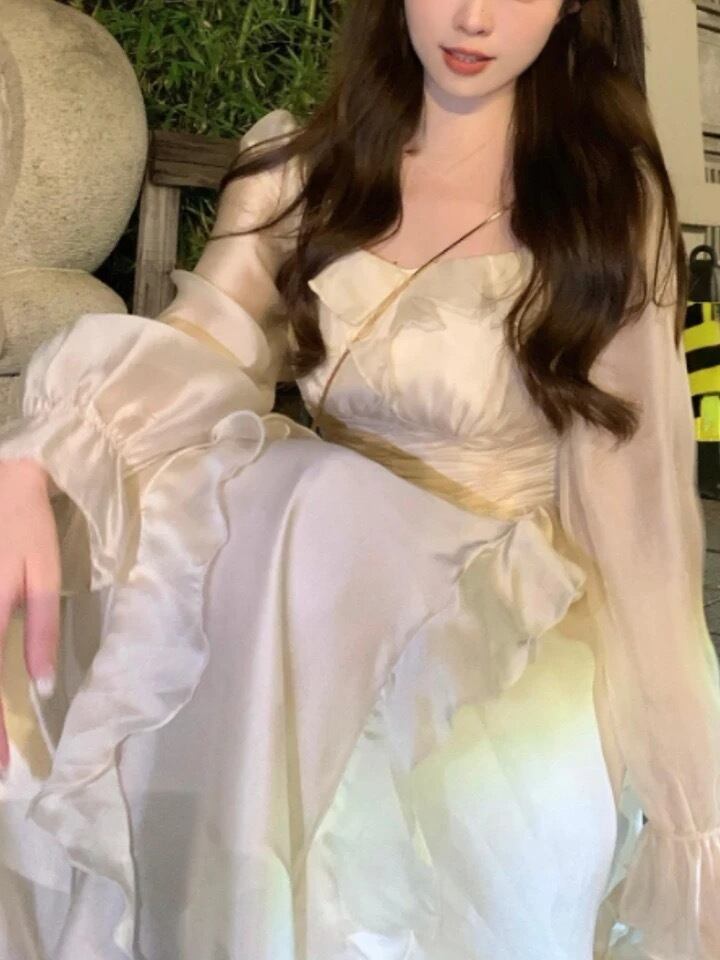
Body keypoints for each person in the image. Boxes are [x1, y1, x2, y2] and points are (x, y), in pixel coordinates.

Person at [0, 0, 719, 957]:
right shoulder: (302, 170)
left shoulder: (601, 201)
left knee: (309, 495)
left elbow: (641, 517)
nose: (472, 17)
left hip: (504, 651)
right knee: (278, 492)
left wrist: (690, 813)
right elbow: (205, 345)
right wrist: (39, 454)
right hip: (314, 618)